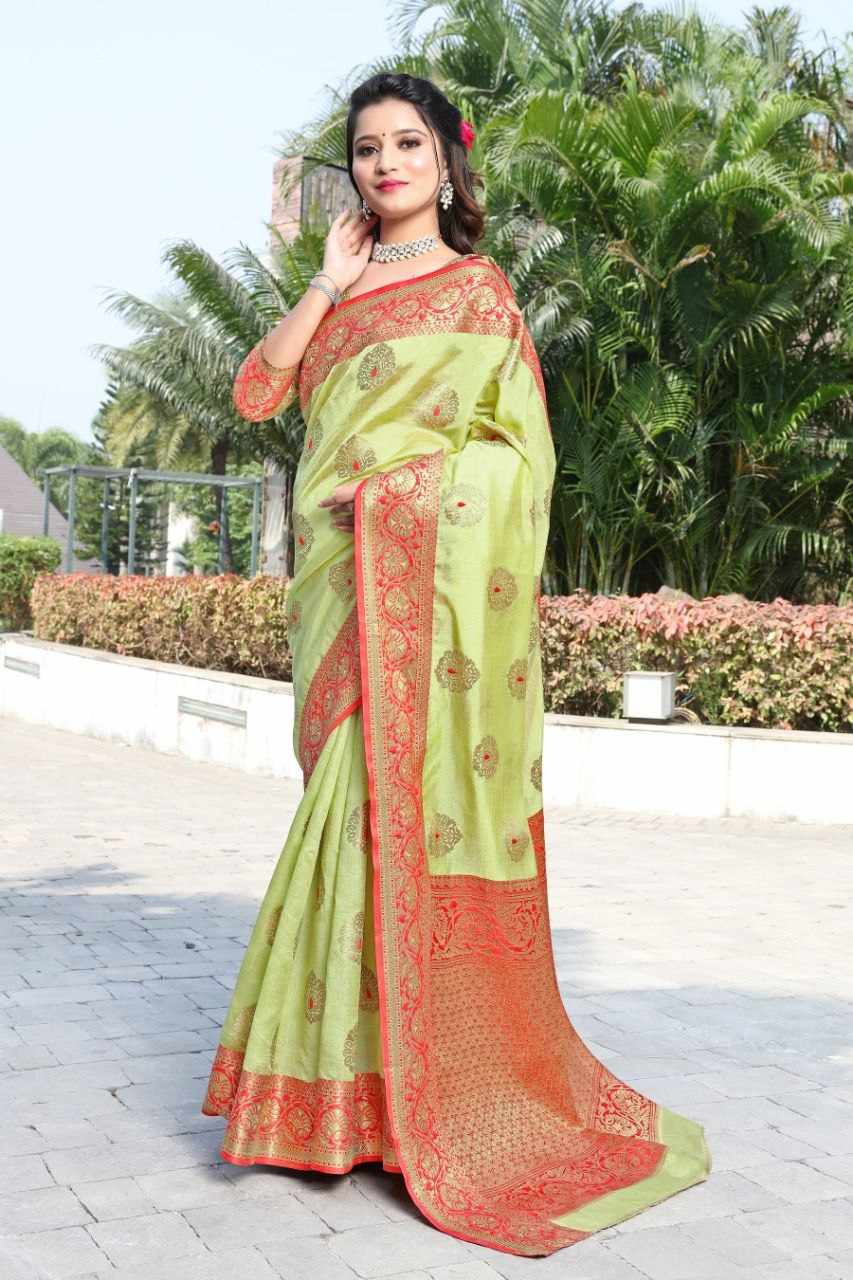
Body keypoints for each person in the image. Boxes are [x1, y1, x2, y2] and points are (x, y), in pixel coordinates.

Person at [201, 70, 711, 1258]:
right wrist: (325, 283)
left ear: (445, 162)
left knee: (373, 816)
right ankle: (335, 1097)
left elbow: (518, 465)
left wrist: (406, 496)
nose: (385, 163)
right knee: (346, 808)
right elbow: (258, 391)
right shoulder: (339, 290)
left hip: (425, 600)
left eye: (406, 144)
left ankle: (379, 1104)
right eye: (366, 148)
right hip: (340, 590)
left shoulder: (480, 294)